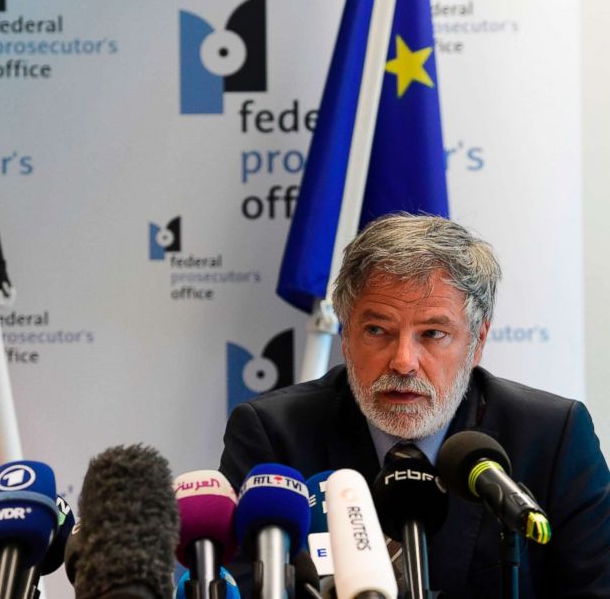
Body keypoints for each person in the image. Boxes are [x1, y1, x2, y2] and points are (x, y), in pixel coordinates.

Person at [219, 214, 610, 597]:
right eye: (377, 330)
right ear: (346, 335)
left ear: (478, 340)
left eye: (433, 334)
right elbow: (242, 584)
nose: (403, 361)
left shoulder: (552, 438)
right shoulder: (273, 435)